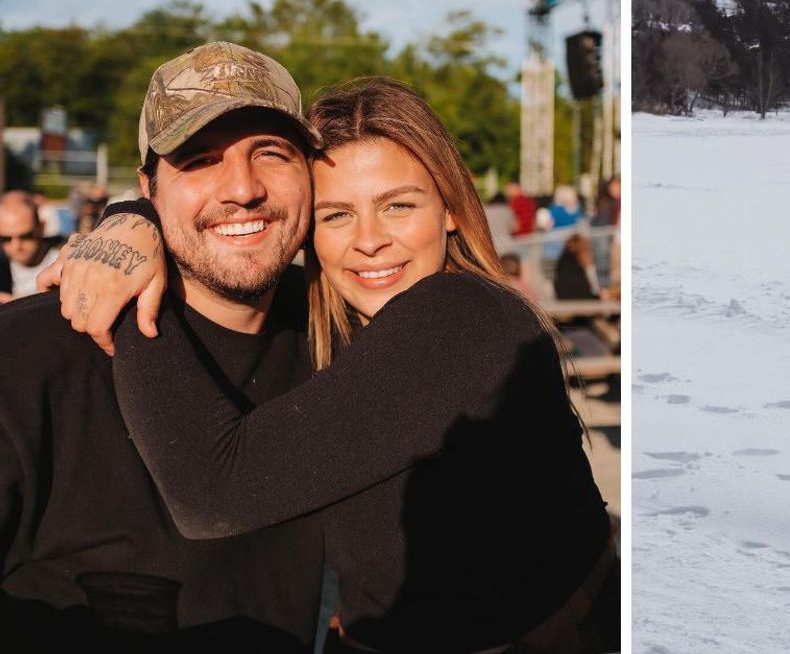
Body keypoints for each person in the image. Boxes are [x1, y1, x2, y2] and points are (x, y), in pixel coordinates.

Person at [52, 77, 616, 654]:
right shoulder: (338, 320)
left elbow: (215, 492)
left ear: (449, 208)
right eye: (336, 214)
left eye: (398, 205)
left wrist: (129, 297)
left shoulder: (463, 315)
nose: (369, 241)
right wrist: (134, 221)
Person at [0, 42, 327, 652]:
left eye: (271, 153)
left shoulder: (343, 345)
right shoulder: (30, 355)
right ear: (148, 189)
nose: (243, 189)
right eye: (200, 160)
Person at [0, 190, 62, 300]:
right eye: (6, 239)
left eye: (26, 236)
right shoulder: (2, 264)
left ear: (42, 228)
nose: (16, 246)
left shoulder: (63, 259)